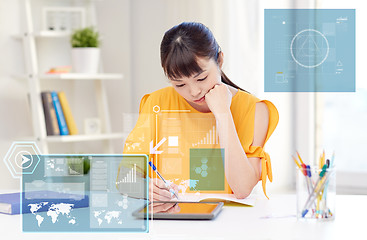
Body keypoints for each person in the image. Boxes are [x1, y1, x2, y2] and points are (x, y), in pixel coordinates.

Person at [121, 22, 279, 201]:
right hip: (171, 221)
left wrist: (223, 114)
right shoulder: (157, 103)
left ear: (219, 60)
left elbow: (242, 189)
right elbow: (125, 180)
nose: (194, 91)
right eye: (179, 84)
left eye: (202, 78)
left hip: (229, 223)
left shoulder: (255, 110)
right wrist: (142, 188)